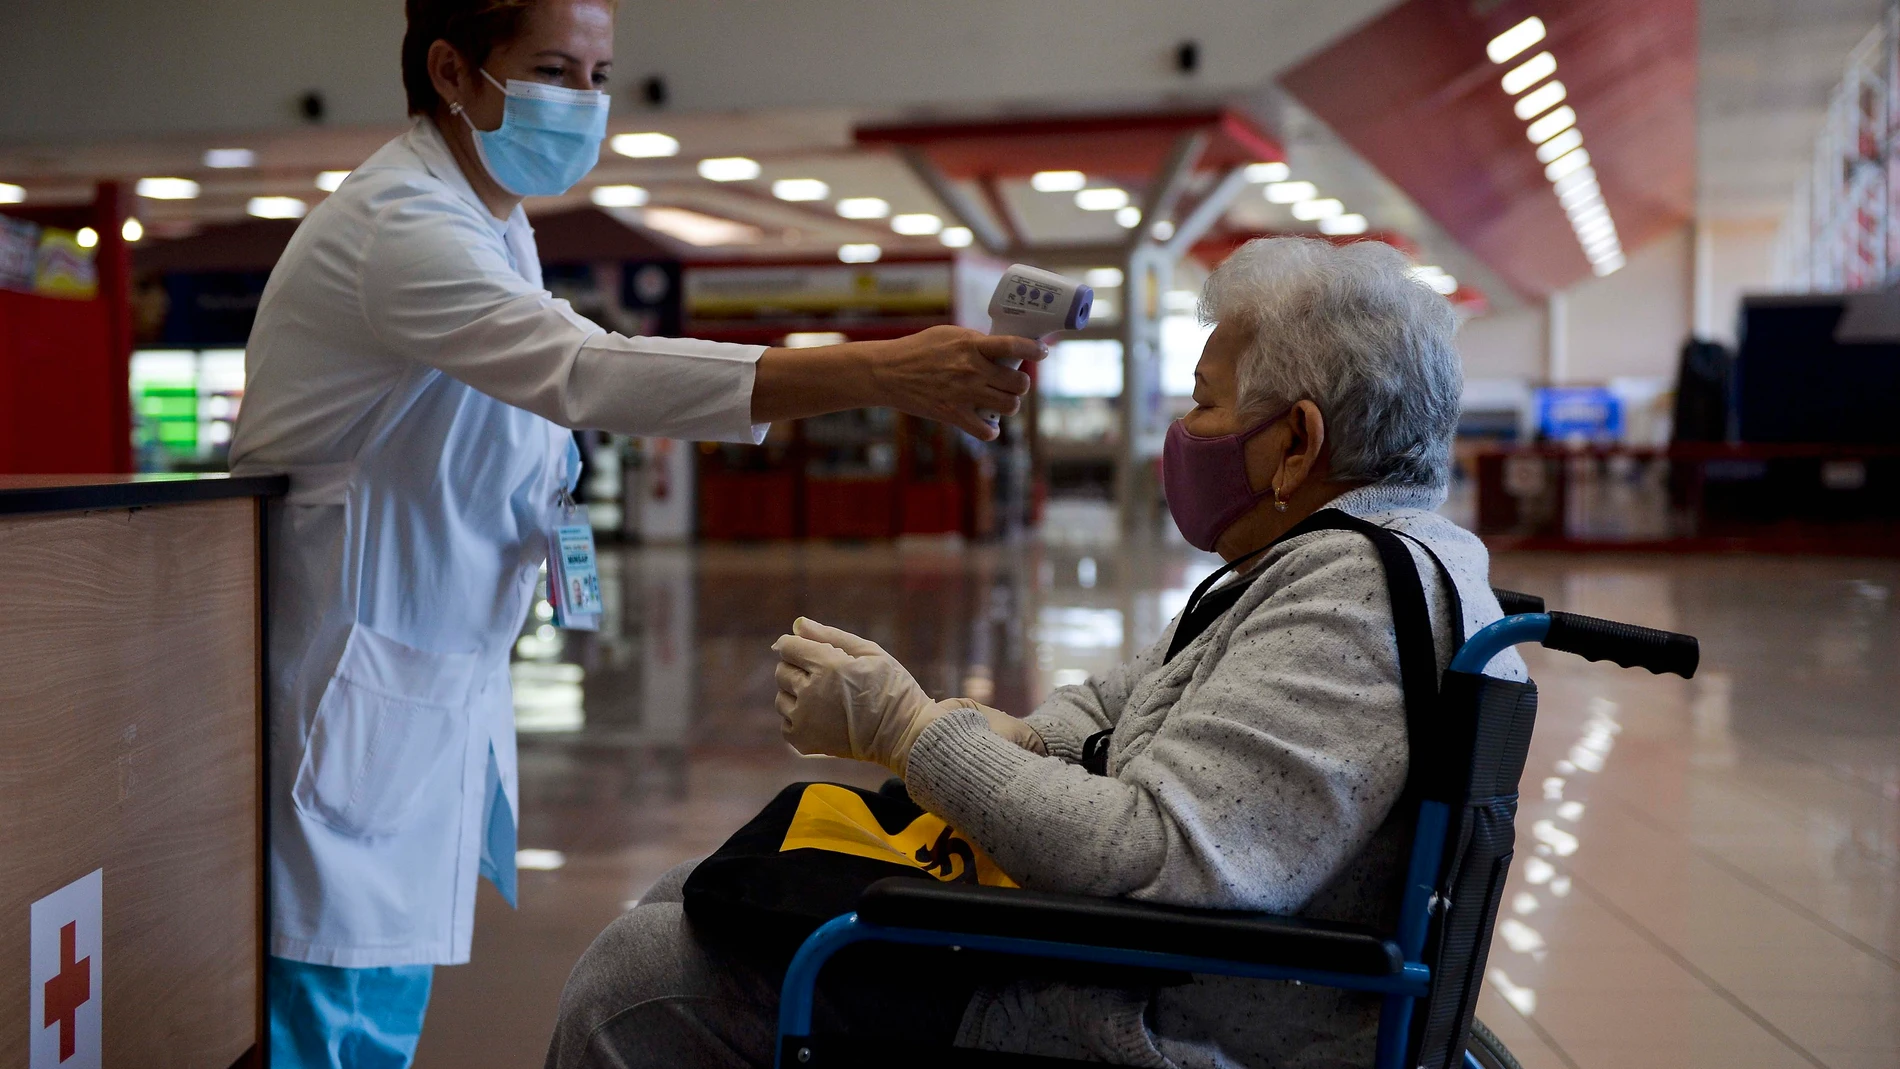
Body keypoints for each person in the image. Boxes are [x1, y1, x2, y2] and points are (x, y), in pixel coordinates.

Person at [227, 0, 1040, 1064]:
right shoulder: (401, 229)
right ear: (454, 72)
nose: (587, 102)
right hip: (347, 686)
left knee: (378, 989)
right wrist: (879, 370)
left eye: (601, 75)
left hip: (416, 686)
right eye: (556, 69)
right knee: (330, 1007)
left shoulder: (494, 226)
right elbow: (588, 371)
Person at [545, 236, 1529, 1069]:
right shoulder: (1332, 560)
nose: (1184, 432)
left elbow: (1153, 855)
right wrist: (1020, 735)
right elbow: (1121, 700)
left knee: (636, 981)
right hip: (1154, 960)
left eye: (1205, 402)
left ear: (1297, 441)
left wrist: (910, 730)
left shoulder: (1347, 599)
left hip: (1165, 1014)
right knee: (697, 892)